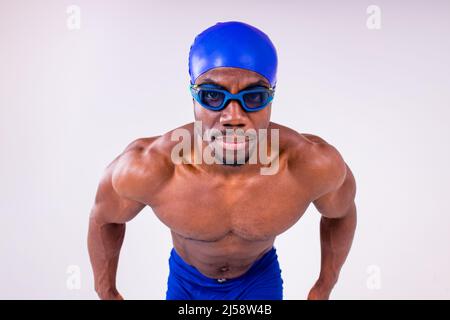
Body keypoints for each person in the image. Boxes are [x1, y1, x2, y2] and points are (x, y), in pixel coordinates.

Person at [88, 21, 357, 300]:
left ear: (272, 97)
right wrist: (106, 292)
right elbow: (103, 218)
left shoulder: (312, 164)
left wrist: (323, 288)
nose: (232, 117)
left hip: (258, 281)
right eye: (213, 96)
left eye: (253, 97)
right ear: (193, 95)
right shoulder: (150, 167)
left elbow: (342, 212)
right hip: (187, 284)